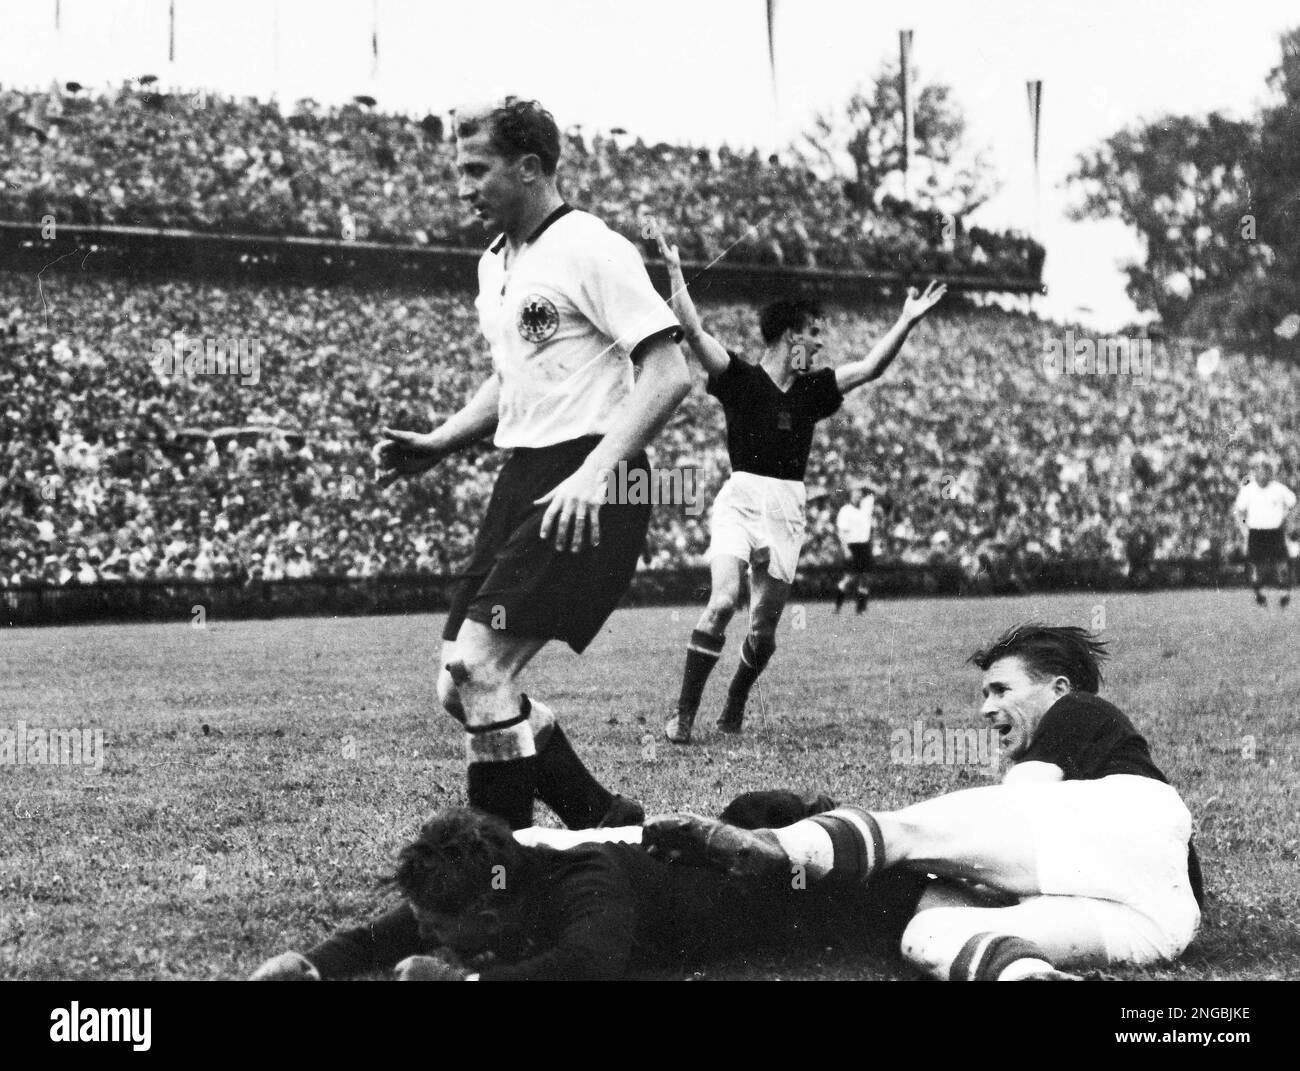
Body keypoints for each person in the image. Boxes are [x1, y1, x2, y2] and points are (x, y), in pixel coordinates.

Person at [376, 99, 690, 830]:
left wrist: (595, 472)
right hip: (525, 472)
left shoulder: (591, 247)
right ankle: (602, 814)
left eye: (475, 169)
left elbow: (668, 371)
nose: (462, 187)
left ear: (530, 167)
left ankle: (501, 874)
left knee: (480, 669)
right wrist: (441, 439)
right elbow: (512, 375)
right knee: (459, 686)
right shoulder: (496, 264)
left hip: (594, 472)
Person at [645, 624, 1204, 981]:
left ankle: (776, 847)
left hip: (1130, 833)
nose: (986, 709)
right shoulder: (1079, 778)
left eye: (1001, 690)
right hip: (1161, 920)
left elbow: (1020, 803)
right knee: (931, 936)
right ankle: (1028, 976)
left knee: (912, 833)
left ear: (1058, 689)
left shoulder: (1078, 711)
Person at [657, 229, 945, 743]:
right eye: (814, 332)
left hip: (787, 508)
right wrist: (676, 270)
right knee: (722, 600)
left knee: (763, 630)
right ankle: (682, 716)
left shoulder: (813, 391)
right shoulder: (740, 378)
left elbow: (872, 368)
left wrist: (905, 320)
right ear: (791, 336)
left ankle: (735, 703)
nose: (820, 342)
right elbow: (694, 330)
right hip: (741, 499)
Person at [247, 793, 930, 981]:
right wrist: (311, 963)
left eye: (437, 926)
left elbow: (587, 965)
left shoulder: (589, 881)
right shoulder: (500, 874)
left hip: (809, 900)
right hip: (744, 865)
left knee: (917, 893)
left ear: (490, 907)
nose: (423, 931)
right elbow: (384, 933)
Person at [1233, 457, 1295, 607]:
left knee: (1281, 565)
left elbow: (1293, 503)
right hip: (1256, 532)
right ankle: (1259, 594)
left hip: (1275, 532)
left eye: (1265, 472)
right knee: (1256, 567)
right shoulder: (1248, 491)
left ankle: (1285, 594)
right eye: (1259, 472)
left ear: (1270, 473)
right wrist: (1244, 529)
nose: (1262, 475)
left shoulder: (1279, 489)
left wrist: (1288, 520)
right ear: (1255, 473)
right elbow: (1238, 512)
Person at [834, 484, 877, 614]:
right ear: (851, 496)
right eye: (855, 494)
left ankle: (860, 609)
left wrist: (864, 483)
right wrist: (845, 549)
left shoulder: (866, 508)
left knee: (865, 578)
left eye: (860, 494)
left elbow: (877, 492)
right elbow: (841, 532)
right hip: (852, 546)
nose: (858, 497)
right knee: (849, 578)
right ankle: (838, 607)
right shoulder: (845, 510)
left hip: (864, 546)